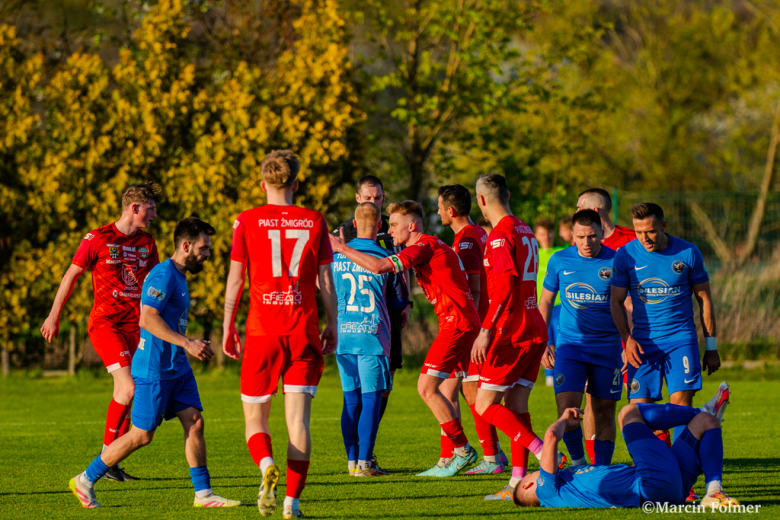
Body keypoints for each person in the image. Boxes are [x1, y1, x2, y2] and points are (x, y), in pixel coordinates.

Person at [68, 217, 241, 509]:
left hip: (178, 369)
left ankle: (204, 494)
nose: (208, 253)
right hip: (154, 370)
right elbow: (146, 317)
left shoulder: (179, 275)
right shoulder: (163, 275)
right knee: (141, 436)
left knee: (195, 422)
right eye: (204, 247)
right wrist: (188, 343)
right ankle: (84, 480)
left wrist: (186, 348)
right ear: (186, 246)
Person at [222, 150, 338, 519]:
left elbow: (236, 279)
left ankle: (266, 465)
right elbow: (324, 280)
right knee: (298, 423)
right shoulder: (314, 220)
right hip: (302, 330)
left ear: (263, 184)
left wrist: (228, 325)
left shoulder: (246, 220)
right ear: (296, 184)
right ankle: (292, 502)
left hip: (261, 331)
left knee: (255, 420)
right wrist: (332, 322)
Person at [330, 200, 481, 477]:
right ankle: (465, 457)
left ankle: (462, 449)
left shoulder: (423, 246)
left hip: (456, 324)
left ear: (411, 226)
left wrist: (340, 247)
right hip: (459, 322)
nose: (389, 230)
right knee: (452, 392)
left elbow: (378, 267)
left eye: (395, 224)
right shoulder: (427, 246)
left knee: (425, 387)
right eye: (386, 223)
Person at [42, 183, 161, 481]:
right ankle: (106, 458)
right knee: (128, 388)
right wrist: (54, 314)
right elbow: (72, 274)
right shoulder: (98, 238)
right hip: (105, 324)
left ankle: (113, 464)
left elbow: (157, 284)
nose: (154, 215)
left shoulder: (148, 243)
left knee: (126, 393)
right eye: (151, 208)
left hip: (137, 327)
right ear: (134, 208)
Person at [611, 202, 721, 501]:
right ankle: (656, 473)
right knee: (637, 412)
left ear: (664, 225)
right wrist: (627, 339)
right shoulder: (626, 255)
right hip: (642, 345)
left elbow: (704, 299)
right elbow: (616, 301)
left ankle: (684, 481)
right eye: (638, 232)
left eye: (650, 231)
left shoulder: (687, 253)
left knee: (680, 409)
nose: (645, 238)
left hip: (680, 341)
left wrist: (710, 346)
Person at [512, 382, 739, 509]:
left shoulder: (562, 488)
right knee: (627, 412)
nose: (539, 468)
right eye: (534, 472)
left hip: (671, 491)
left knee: (707, 425)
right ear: (527, 485)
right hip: (650, 484)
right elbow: (551, 436)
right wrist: (563, 419)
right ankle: (700, 410)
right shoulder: (545, 490)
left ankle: (714, 491)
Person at [470, 174, 553, 501]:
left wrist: (486, 329)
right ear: (508, 194)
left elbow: (504, 286)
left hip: (511, 331)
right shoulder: (524, 228)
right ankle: (517, 483)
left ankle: (542, 450)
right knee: (517, 406)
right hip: (534, 328)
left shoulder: (501, 235)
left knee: (484, 404)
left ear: (481, 201)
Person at [331, 175, 411, 473]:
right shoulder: (386, 256)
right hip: (372, 338)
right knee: (371, 399)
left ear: (354, 220)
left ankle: (351, 462)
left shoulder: (337, 254)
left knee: (350, 401)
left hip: (344, 336)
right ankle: (366, 461)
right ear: (380, 226)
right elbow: (399, 302)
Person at [539, 210, 622, 468]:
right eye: (581, 237)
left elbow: (627, 304)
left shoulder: (618, 261)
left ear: (602, 234)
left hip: (607, 348)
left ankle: (602, 470)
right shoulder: (559, 260)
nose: (587, 243)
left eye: (592, 236)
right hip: (570, 348)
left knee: (605, 411)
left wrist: (628, 342)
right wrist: (542, 342)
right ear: (572, 235)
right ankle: (578, 464)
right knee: (567, 411)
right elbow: (545, 301)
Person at [436, 185, 508, 476]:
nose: (438, 212)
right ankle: (493, 453)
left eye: (440, 207)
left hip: (473, 328)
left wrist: (476, 331)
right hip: (475, 327)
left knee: (474, 394)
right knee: (466, 392)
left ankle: (492, 457)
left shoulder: (466, 241)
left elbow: (476, 288)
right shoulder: (476, 234)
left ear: (451, 211)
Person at [575, 187, 637, 462]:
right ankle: (593, 466)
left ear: (595, 212)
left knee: (639, 401)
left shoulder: (633, 242)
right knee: (591, 401)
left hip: (631, 340)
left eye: (579, 207)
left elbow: (634, 301)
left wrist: (629, 340)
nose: (576, 212)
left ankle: (653, 462)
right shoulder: (579, 246)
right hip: (593, 344)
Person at [534, 218, 564, 388]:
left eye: (548, 233)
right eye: (542, 233)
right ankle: (549, 376)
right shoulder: (533, 254)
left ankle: (561, 372)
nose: (546, 236)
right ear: (536, 235)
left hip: (560, 305)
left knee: (561, 341)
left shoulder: (561, 252)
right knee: (546, 340)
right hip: (540, 305)